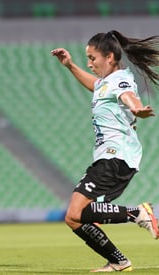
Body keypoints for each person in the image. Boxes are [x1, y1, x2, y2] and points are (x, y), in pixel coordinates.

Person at [51, 30, 159, 272]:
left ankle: (138, 213)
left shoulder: (120, 79)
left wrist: (137, 108)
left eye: (93, 58)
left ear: (110, 57)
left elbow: (128, 95)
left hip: (115, 156)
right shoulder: (106, 82)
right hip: (112, 157)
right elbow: (97, 87)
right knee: (75, 217)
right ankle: (119, 261)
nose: (90, 64)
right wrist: (70, 66)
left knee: (75, 211)